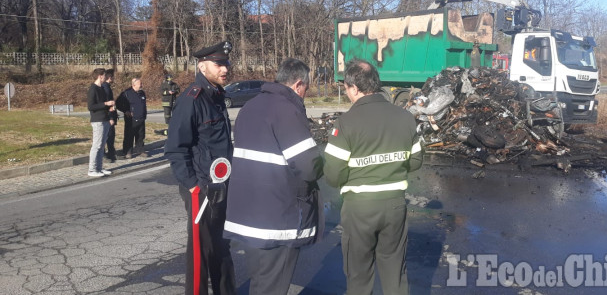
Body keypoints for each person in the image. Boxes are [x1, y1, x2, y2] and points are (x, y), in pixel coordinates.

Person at [323, 59, 424, 295]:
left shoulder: (345, 123)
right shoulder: (405, 118)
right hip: (395, 205)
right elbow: (417, 161)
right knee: (395, 273)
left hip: (359, 208)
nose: (347, 93)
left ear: (355, 88)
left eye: (346, 88)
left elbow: (333, 175)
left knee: (359, 276)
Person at [224, 58, 323, 295]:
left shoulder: (250, 107)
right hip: (278, 220)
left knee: (260, 283)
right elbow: (309, 166)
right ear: (299, 84)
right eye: (306, 89)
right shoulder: (287, 110)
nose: (305, 95)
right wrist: (322, 160)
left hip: (250, 216)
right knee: (272, 288)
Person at [165, 41, 236, 295]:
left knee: (221, 247)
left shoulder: (216, 96)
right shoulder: (191, 99)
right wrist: (193, 186)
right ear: (202, 65)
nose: (225, 69)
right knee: (200, 253)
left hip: (221, 186)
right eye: (219, 64)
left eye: (226, 63)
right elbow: (175, 148)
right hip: (202, 190)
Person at [86, 68, 115, 178]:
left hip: (105, 118)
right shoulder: (93, 89)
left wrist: (109, 108)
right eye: (104, 75)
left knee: (102, 145)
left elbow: (104, 105)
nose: (106, 77)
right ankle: (92, 169)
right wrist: (105, 104)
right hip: (97, 120)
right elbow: (91, 106)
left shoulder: (102, 88)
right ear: (99, 76)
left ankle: (99, 167)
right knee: (96, 145)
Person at [116, 78, 147, 159]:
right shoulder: (126, 93)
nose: (142, 85)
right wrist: (125, 111)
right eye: (140, 84)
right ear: (134, 85)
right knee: (129, 136)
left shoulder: (142, 93)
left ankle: (140, 149)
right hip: (131, 119)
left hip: (141, 118)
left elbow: (143, 104)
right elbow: (118, 104)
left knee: (140, 135)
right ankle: (127, 151)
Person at [102, 69, 117, 162]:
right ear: (109, 77)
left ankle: (111, 153)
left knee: (111, 135)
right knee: (107, 135)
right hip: (108, 116)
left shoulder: (107, 87)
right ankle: (104, 154)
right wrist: (111, 117)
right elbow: (108, 104)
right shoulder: (105, 88)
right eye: (112, 76)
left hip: (109, 115)